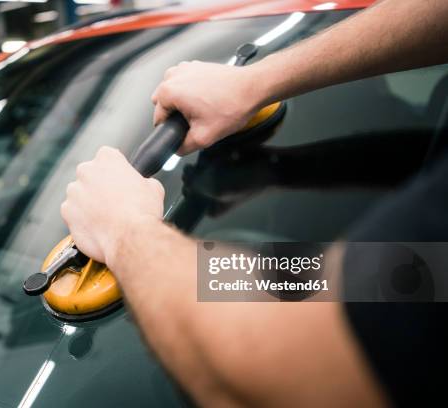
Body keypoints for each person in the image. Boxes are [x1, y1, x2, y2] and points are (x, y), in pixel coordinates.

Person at [59, 0, 448, 406]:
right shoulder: (420, 263)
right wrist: (259, 88)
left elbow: (299, 364)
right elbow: (399, 275)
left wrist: (126, 231)